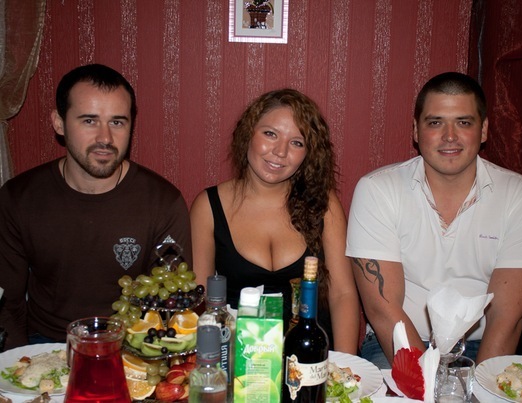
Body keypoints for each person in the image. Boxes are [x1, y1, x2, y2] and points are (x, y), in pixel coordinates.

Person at [346, 72, 522, 367]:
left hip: (482, 346)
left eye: (463, 122)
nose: (450, 136)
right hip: (398, 340)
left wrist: (479, 388)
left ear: (483, 130)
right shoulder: (378, 190)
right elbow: (384, 312)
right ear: (416, 131)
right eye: (435, 123)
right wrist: (426, 384)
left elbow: (507, 321)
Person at [0, 64, 192, 350]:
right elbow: (7, 303)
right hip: (47, 344)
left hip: (130, 345)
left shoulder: (163, 202)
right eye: (89, 121)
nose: (105, 138)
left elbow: (170, 302)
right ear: (59, 123)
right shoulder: (19, 197)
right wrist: (20, 364)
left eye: (117, 122)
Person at [190, 88, 360, 354]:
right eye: (270, 134)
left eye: (297, 143)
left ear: (308, 153)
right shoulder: (208, 206)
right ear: (248, 133)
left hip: (311, 356)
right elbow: (201, 303)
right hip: (240, 357)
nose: (280, 151)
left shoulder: (324, 204)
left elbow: (343, 294)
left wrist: (344, 365)